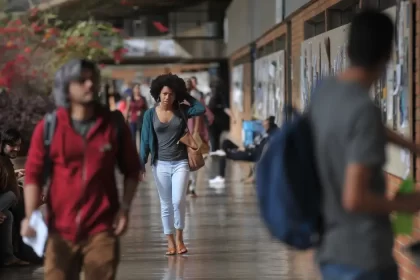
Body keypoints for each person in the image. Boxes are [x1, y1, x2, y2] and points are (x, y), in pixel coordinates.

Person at [308, 10, 420, 279]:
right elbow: (355, 198)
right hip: (364, 258)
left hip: (330, 250)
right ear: (388, 54)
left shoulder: (325, 92)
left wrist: (410, 146)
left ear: (349, 49)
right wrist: (406, 205)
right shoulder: (363, 111)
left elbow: (357, 126)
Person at [21, 59, 141, 280]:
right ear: (66, 86)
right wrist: (29, 216)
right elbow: (33, 175)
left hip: (102, 228)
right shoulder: (49, 127)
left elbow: (133, 170)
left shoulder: (112, 125)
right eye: (82, 80)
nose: (89, 85)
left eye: (92, 79)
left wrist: (124, 208)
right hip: (59, 230)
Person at [140, 73, 205, 255]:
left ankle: (180, 237)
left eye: (171, 94)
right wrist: (141, 163)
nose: (168, 97)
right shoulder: (149, 115)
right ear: (158, 94)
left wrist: (185, 96)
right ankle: (169, 241)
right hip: (160, 164)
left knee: (178, 200)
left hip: (180, 162)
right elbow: (145, 141)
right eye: (165, 94)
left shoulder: (181, 111)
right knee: (166, 204)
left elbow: (200, 109)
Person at [209, 116, 278, 185]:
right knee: (226, 142)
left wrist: (246, 149)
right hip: (249, 149)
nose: (263, 123)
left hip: (251, 154)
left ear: (268, 123)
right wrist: (243, 147)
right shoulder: (265, 133)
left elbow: (260, 151)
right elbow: (255, 144)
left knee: (223, 154)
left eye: (265, 121)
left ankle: (221, 177)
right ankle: (221, 151)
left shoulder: (270, 136)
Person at [0, 128, 29, 266]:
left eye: (18, 145)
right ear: (2, 144)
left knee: (7, 216)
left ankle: (8, 257)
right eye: (12, 145)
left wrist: (14, 175)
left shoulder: (5, 160)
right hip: (7, 199)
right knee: (12, 196)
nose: (17, 149)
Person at [185, 78, 214, 197]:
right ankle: (189, 187)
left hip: (189, 134)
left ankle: (190, 187)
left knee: (190, 162)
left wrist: (196, 132)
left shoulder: (192, 99)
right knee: (189, 162)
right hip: (186, 134)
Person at [124, 83, 148, 150]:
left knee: (141, 137)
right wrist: (125, 120)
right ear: (133, 90)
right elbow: (127, 109)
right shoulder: (130, 98)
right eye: (136, 88)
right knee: (133, 137)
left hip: (141, 120)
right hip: (133, 120)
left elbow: (147, 110)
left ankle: (142, 152)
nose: (138, 90)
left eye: (139, 88)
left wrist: (142, 112)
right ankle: (133, 152)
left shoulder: (143, 98)